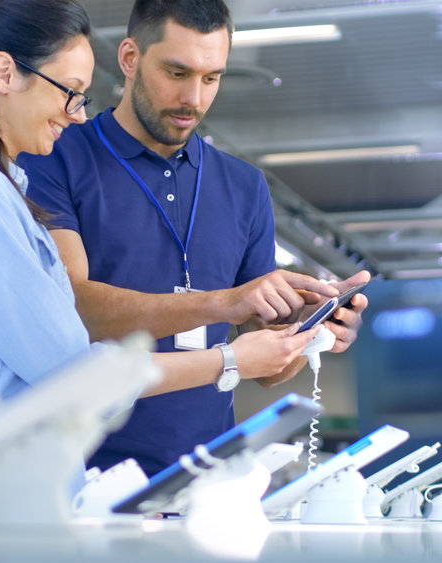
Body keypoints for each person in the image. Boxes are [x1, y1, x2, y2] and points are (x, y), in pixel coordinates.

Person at [0, 0, 321, 456]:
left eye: (211, 78)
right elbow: (71, 367)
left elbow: (63, 352)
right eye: (68, 91)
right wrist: (226, 357)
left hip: (19, 486)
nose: (77, 113)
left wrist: (305, 328)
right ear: (4, 74)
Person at [19, 0, 370, 476]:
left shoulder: (245, 187)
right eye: (177, 72)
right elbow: (72, 307)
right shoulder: (56, 155)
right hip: (83, 474)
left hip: (203, 479)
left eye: (211, 78)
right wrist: (221, 303)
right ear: (129, 58)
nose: (195, 98)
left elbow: (261, 364)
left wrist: (309, 335)